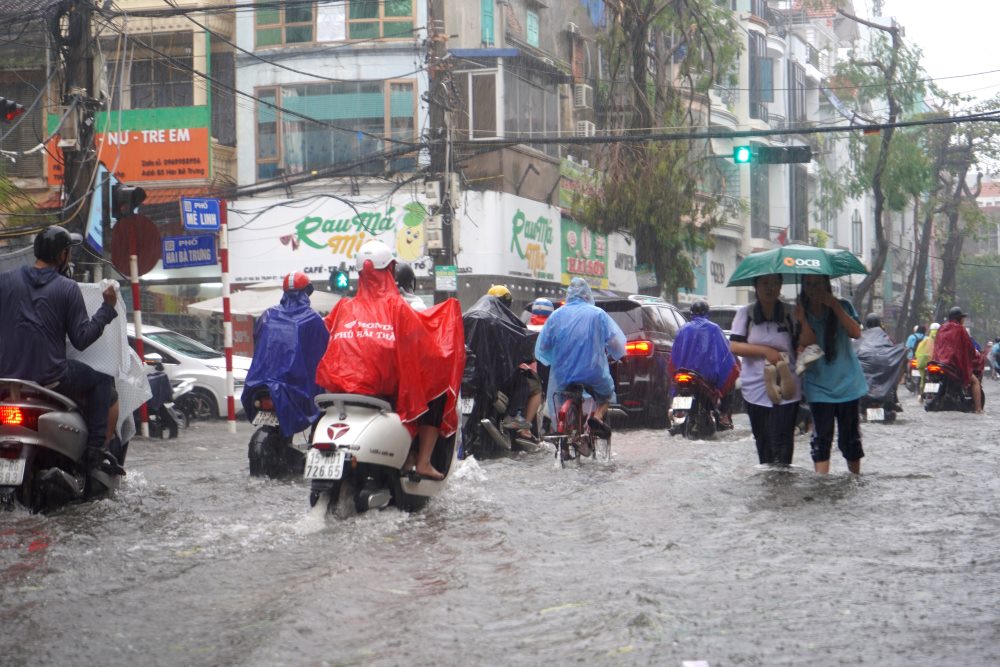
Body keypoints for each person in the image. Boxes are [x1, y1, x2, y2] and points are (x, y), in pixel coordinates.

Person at [316, 239, 465, 480]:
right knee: (437, 392)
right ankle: (423, 461)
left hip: (341, 390)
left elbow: (324, 337)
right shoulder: (398, 308)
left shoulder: (344, 307)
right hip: (383, 390)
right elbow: (427, 346)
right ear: (390, 270)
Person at [0, 226, 118, 466]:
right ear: (63, 255)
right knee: (103, 381)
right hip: (51, 378)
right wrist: (107, 308)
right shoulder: (67, 288)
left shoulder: (5, 281)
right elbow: (81, 339)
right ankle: (95, 450)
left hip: (7, 379)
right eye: (69, 253)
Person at [535, 277, 626, 445]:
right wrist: (617, 353)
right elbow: (616, 343)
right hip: (592, 372)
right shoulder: (597, 314)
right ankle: (597, 417)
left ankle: (565, 432)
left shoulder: (556, 315)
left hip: (563, 374)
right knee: (606, 394)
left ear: (569, 294)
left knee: (560, 397)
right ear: (587, 294)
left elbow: (544, 346)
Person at [241, 272, 329, 437]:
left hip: (262, 382)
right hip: (296, 386)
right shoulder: (313, 319)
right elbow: (323, 353)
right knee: (323, 405)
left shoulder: (267, 315)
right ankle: (315, 442)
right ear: (307, 291)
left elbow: (258, 343)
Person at [796, 275, 867, 474]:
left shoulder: (843, 305)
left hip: (848, 385)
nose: (813, 288)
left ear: (826, 285)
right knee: (822, 438)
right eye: (808, 284)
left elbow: (856, 332)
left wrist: (835, 306)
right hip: (818, 386)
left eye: (817, 284)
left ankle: (855, 479)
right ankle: (822, 484)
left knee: (850, 438)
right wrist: (801, 318)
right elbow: (806, 342)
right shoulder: (800, 312)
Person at [729, 274, 801, 466]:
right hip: (755, 388)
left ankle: (782, 484)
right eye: (765, 283)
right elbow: (734, 346)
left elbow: (802, 346)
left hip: (787, 386)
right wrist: (764, 351)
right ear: (756, 287)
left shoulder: (791, 313)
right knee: (764, 441)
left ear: (780, 286)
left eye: (775, 283)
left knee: (783, 441)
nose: (770, 288)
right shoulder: (746, 313)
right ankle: (769, 484)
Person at [669, 299, 740, 429]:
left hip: (683, 373)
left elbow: (674, 356)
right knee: (731, 377)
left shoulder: (683, 329)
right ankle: (724, 415)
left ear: (691, 313)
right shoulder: (714, 329)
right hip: (707, 377)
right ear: (707, 313)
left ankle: (675, 416)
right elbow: (727, 356)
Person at [932, 306, 983, 414]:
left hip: (940, 363)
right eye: (962, 318)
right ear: (959, 318)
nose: (963, 320)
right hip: (954, 365)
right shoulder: (960, 329)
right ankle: (979, 409)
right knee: (975, 382)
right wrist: (976, 355)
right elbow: (969, 347)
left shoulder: (941, 328)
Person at [854, 312, 906, 412]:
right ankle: (894, 397)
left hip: (864, 375)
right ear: (879, 323)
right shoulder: (885, 337)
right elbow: (893, 350)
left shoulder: (860, 337)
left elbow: (854, 351)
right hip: (883, 369)